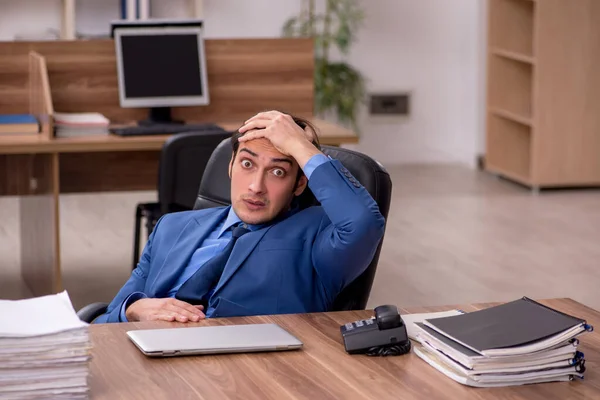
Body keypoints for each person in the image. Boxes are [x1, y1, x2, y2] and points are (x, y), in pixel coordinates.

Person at [95, 110, 385, 323]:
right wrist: (132, 310)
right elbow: (101, 323)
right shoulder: (171, 227)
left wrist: (300, 147)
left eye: (278, 171)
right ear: (231, 165)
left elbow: (363, 224)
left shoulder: (318, 235)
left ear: (299, 183)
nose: (255, 187)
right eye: (247, 163)